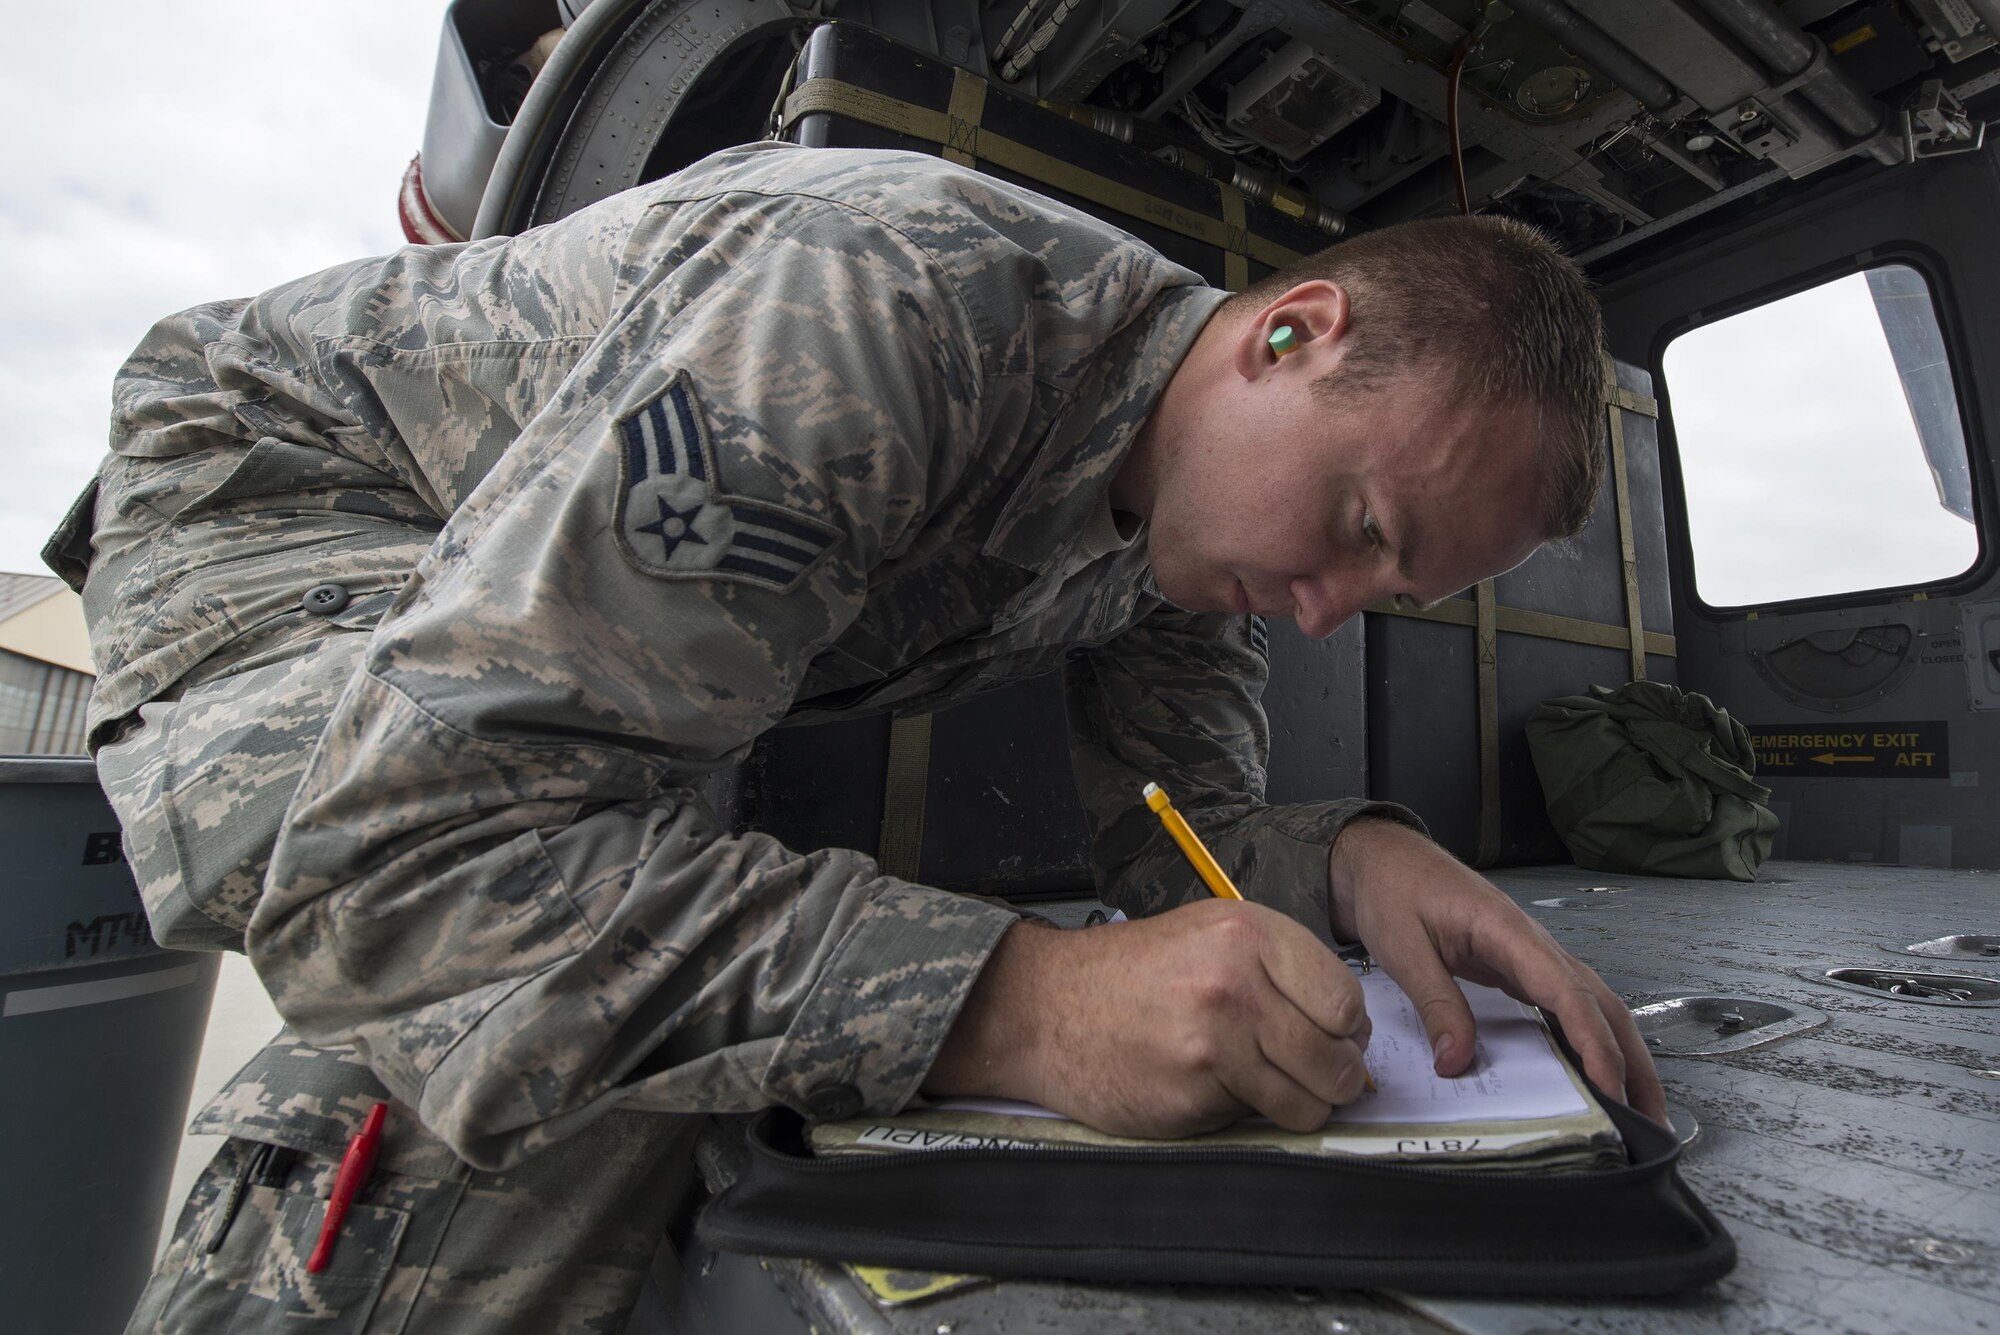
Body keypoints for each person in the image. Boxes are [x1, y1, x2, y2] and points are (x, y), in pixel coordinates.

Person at [50, 142, 1663, 1333]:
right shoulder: (881, 312)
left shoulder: (1198, 537)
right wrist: (1021, 1005)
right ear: (1289, 334)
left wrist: (1357, 858)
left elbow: (1172, 828)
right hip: (284, 503)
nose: (1328, 610)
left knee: (649, 952)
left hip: (519, 611)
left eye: (1393, 589)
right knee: (534, 1035)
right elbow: (412, 864)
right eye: (1363, 523)